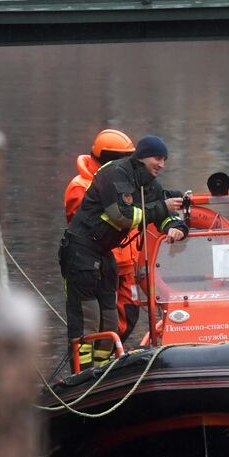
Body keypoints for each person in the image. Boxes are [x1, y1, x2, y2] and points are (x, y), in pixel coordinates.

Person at [60, 135, 187, 368]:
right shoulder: (115, 174)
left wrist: (176, 226)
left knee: (110, 319)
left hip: (104, 252)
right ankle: (82, 373)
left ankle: (104, 370)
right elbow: (122, 215)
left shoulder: (147, 181)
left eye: (164, 160)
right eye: (157, 158)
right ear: (141, 157)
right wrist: (161, 209)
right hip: (82, 251)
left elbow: (163, 212)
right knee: (88, 318)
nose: (161, 164)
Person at [62, 129, 151, 349]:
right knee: (91, 320)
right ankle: (88, 370)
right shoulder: (80, 187)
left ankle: (110, 361)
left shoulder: (123, 181)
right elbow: (94, 225)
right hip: (95, 261)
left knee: (126, 316)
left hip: (123, 264)